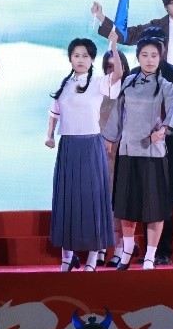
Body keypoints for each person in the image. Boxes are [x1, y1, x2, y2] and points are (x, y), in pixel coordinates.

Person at [94, 0, 173, 206]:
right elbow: (129, 34)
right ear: (165, 6)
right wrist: (102, 18)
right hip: (162, 87)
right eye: (172, 3)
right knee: (164, 143)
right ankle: (161, 195)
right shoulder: (159, 25)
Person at [46, 29, 123, 272]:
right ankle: (67, 257)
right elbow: (54, 113)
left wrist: (113, 46)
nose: (80, 59)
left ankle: (92, 258)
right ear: (70, 58)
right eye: (76, 55)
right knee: (67, 200)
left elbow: (118, 74)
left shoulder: (99, 83)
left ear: (92, 60)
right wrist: (49, 136)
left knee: (92, 200)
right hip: (68, 147)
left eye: (85, 56)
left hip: (91, 147)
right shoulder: (64, 85)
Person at [103, 34, 173, 270]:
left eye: (154, 55)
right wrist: (109, 138)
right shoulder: (128, 83)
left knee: (154, 208)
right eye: (144, 55)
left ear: (160, 58)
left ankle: (150, 256)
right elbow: (117, 113)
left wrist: (163, 130)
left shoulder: (166, 86)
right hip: (128, 151)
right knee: (127, 206)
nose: (149, 59)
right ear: (138, 58)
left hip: (153, 153)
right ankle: (126, 251)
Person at [97, 48, 129, 267]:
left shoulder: (129, 91)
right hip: (100, 152)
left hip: (124, 153)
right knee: (101, 200)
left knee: (120, 201)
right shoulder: (98, 91)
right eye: (108, 67)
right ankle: (100, 247)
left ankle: (120, 248)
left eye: (115, 66)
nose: (112, 70)